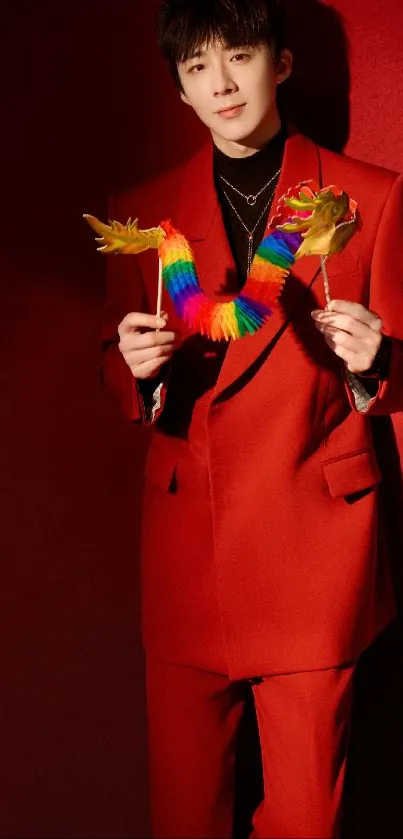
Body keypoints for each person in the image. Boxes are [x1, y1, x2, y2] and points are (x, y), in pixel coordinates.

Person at [101, 1, 403, 836]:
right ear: (180, 87)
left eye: (237, 55)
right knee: (184, 813)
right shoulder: (144, 217)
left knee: (310, 818)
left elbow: (397, 378)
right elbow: (115, 374)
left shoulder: (368, 199)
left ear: (283, 63)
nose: (221, 82)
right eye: (196, 66)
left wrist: (378, 359)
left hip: (314, 554)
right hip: (185, 557)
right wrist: (135, 374)